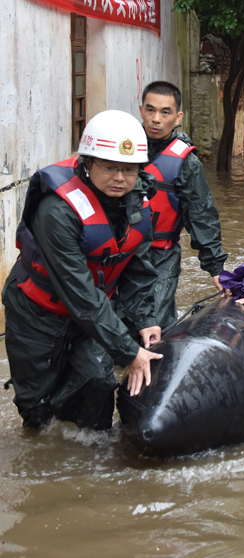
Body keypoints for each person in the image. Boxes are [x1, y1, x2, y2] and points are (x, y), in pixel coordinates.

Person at [2, 110, 163, 430]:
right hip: (38, 314)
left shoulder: (138, 204)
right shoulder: (57, 211)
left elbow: (137, 268)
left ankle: (91, 451)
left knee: (98, 383)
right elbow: (79, 294)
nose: (120, 178)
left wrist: (145, 320)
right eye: (109, 167)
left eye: (129, 169)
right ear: (87, 163)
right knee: (37, 409)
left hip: (94, 312)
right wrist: (129, 352)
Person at [139, 81, 228, 330]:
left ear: (178, 118)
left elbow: (201, 214)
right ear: (141, 110)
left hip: (161, 255)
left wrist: (216, 268)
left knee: (156, 322)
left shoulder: (187, 163)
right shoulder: (120, 149)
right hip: (119, 253)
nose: (156, 119)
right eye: (150, 110)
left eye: (165, 112)